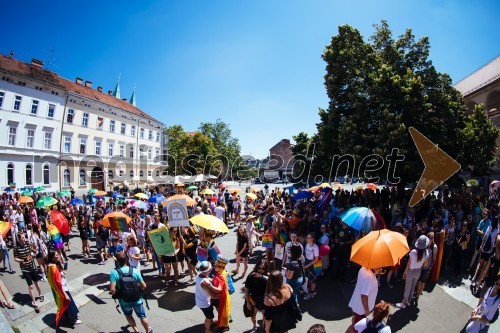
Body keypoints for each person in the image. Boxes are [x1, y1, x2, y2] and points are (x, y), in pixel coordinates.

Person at [109, 252, 152, 333]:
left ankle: (136, 330)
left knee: (129, 315)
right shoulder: (134, 271)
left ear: (117, 261)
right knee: (142, 316)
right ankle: (148, 331)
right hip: (137, 299)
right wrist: (138, 291)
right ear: (127, 260)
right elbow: (144, 285)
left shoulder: (114, 272)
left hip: (124, 300)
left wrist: (116, 295)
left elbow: (112, 290)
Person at [47, 249, 81, 328]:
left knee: (68, 303)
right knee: (69, 303)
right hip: (62, 289)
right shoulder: (53, 267)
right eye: (56, 255)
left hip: (62, 287)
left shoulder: (53, 265)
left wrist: (64, 265)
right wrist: (63, 293)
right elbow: (57, 282)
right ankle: (73, 319)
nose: (58, 256)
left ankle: (72, 315)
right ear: (52, 257)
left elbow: (61, 274)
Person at [13, 231, 44, 313]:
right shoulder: (16, 247)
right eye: (22, 238)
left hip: (32, 267)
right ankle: (34, 302)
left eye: (24, 237)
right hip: (25, 269)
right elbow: (15, 258)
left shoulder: (27, 243)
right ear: (18, 238)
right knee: (30, 286)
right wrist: (21, 261)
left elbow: (32, 250)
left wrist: (32, 254)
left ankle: (40, 294)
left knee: (36, 282)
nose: (24, 239)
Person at [397, 235, 429, 308]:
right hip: (418, 271)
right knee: (413, 286)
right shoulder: (426, 253)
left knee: (407, 287)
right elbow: (425, 264)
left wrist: (405, 272)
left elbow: (408, 264)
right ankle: (409, 301)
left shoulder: (413, 252)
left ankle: (404, 303)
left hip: (411, 271)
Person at [348, 266, 383, 333]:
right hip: (362, 309)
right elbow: (364, 295)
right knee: (356, 327)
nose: (381, 269)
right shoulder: (369, 277)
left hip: (357, 305)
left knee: (354, 323)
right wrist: (366, 310)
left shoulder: (363, 268)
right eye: (378, 267)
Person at [244, 259, 269, 332]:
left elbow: (272, 280)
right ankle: (254, 326)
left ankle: (264, 326)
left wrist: (261, 276)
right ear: (256, 267)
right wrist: (248, 302)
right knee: (253, 314)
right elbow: (246, 290)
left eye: (263, 268)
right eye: (259, 268)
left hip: (264, 298)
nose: (261, 270)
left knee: (265, 314)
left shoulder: (266, 275)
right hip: (253, 298)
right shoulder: (251, 276)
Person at [195, 261, 217, 333]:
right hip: (204, 303)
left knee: (210, 313)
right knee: (208, 317)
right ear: (209, 270)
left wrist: (211, 280)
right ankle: (207, 330)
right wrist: (223, 294)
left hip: (200, 300)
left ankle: (212, 321)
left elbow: (207, 278)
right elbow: (213, 296)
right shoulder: (205, 283)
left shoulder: (199, 275)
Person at [416, 232, 438, 301]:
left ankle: (418, 294)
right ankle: (417, 291)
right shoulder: (424, 244)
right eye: (430, 237)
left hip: (427, 268)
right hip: (420, 266)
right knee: (418, 281)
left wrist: (430, 268)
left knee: (423, 281)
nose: (432, 239)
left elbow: (434, 259)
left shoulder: (434, 247)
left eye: (433, 237)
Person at [303, 232, 319, 300]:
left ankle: (311, 293)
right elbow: (306, 254)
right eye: (307, 237)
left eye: (309, 238)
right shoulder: (307, 245)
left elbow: (316, 260)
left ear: (313, 239)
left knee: (312, 280)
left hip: (312, 264)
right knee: (307, 278)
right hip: (306, 262)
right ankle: (308, 291)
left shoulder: (315, 247)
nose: (307, 239)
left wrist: (307, 266)